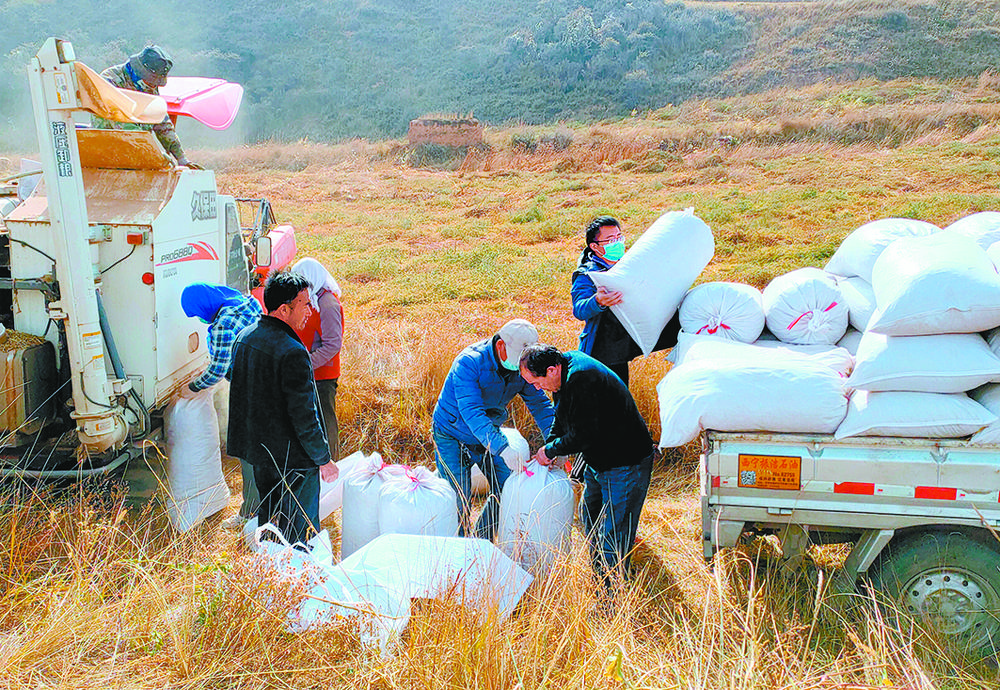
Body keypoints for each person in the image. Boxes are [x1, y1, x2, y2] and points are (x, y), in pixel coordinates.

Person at [519, 344, 655, 591]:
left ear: (551, 370)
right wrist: (550, 447)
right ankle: (603, 576)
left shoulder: (582, 378)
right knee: (589, 517)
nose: (536, 388)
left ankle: (611, 597)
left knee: (613, 533)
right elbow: (561, 420)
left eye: (537, 382)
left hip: (625, 462)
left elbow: (583, 437)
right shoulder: (563, 375)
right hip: (600, 460)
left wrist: (550, 451)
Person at [227, 271, 337, 546]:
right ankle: (297, 580)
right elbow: (305, 417)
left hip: (260, 454)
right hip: (294, 463)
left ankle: (271, 579)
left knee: (270, 525)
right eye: (304, 304)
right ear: (284, 309)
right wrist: (323, 458)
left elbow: (236, 382)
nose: (310, 311)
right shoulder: (293, 351)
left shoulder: (245, 336)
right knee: (299, 534)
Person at [432, 319, 555, 540]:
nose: (521, 369)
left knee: (507, 487)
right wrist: (503, 449)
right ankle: (458, 550)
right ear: (500, 346)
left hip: (487, 433)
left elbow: (541, 405)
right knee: (459, 498)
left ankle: (481, 542)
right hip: (451, 432)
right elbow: (472, 412)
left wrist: (556, 442)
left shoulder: (522, 368)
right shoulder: (469, 363)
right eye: (519, 362)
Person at [180, 283, 262, 530]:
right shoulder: (245, 302)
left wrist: (192, 387)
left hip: (248, 389)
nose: (199, 317)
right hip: (267, 380)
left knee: (248, 453)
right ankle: (271, 506)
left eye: (197, 312)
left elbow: (217, 370)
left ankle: (251, 513)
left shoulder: (224, 324)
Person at [571, 215, 678, 386]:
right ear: (595, 247)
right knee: (614, 395)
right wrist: (598, 301)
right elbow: (579, 309)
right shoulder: (587, 275)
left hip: (629, 336)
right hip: (605, 347)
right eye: (610, 239)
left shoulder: (629, 265)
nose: (617, 242)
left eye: (619, 237)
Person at [95, 46, 201, 169]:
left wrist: (181, 157)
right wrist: (152, 151)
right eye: (151, 81)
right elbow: (116, 120)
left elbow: (161, 122)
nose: (153, 85)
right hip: (110, 151)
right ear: (140, 70)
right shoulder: (110, 80)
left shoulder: (148, 87)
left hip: (138, 152)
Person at [290, 258, 344, 465]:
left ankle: (332, 464)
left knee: (325, 421)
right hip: (311, 371)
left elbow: (332, 345)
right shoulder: (313, 298)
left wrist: (305, 364)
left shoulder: (328, 304)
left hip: (323, 375)